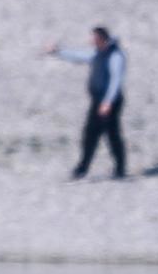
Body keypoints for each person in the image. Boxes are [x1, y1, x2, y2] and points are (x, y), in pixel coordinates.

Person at [45, 26, 127, 179]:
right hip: (97, 101)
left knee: (112, 135)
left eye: (94, 38)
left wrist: (108, 102)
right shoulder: (97, 53)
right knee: (90, 134)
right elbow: (79, 56)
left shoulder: (116, 56)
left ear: (102, 39)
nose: (91, 41)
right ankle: (82, 168)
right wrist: (58, 51)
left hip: (110, 103)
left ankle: (120, 168)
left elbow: (116, 81)